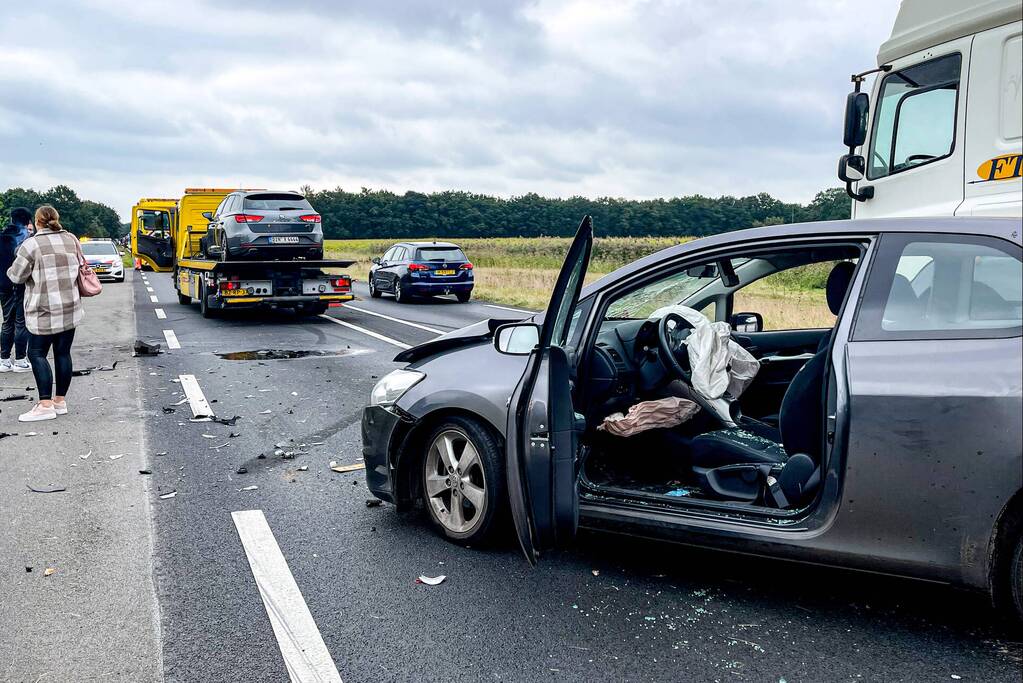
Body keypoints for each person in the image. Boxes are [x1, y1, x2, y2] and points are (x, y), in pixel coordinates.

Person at [5, 205, 84, 422]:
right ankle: (60, 401)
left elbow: (17, 276)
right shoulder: (71, 239)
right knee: (62, 353)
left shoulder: (31, 244)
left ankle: (45, 405)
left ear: (37, 222)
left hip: (43, 309)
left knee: (36, 353)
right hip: (70, 307)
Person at [0, 207, 33, 373]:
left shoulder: (2, 235)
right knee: (21, 321)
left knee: (7, 322)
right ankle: (20, 360)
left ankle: (4, 360)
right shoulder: (26, 238)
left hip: (2, 285)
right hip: (19, 284)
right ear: (28, 220)